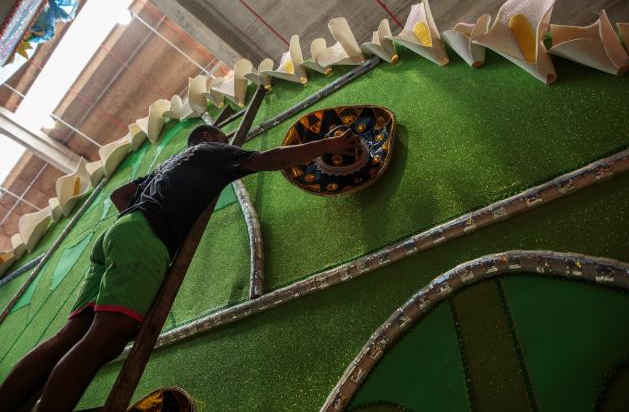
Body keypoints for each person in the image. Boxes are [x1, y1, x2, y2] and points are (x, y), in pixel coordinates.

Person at [0, 124, 360, 412]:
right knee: (102, 340)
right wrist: (325, 146)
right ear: (207, 138)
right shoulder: (209, 151)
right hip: (146, 237)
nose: (230, 144)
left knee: (70, 336)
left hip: (120, 233)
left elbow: (120, 196)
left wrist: (150, 218)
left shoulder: (165, 167)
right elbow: (267, 159)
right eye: (224, 139)